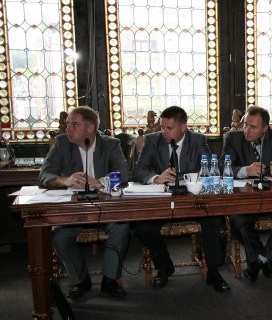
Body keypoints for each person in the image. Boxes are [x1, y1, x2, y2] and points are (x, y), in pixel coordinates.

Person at [132, 106, 230, 292]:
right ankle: (164, 267)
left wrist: (190, 179)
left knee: (213, 219)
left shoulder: (198, 140)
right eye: (162, 127)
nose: (164, 132)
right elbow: (138, 171)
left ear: (183, 127)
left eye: (169, 128)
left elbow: (211, 169)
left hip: (192, 199)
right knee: (144, 226)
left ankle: (213, 271)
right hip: (162, 200)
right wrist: (156, 178)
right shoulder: (152, 140)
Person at [38, 106, 130, 299]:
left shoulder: (111, 144)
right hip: (74, 209)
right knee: (60, 235)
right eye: (67, 124)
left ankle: (110, 280)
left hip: (105, 207)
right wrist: (65, 180)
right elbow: (44, 176)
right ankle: (80, 281)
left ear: (90, 129)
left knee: (121, 227)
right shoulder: (62, 143)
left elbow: (123, 175)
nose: (67, 129)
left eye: (74, 124)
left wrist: (100, 182)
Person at [222, 106, 272, 282]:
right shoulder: (233, 138)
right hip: (244, 200)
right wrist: (245, 170)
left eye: (253, 127)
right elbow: (223, 168)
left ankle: (260, 261)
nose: (247, 130)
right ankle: (264, 261)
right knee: (238, 220)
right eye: (246, 125)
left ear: (265, 128)